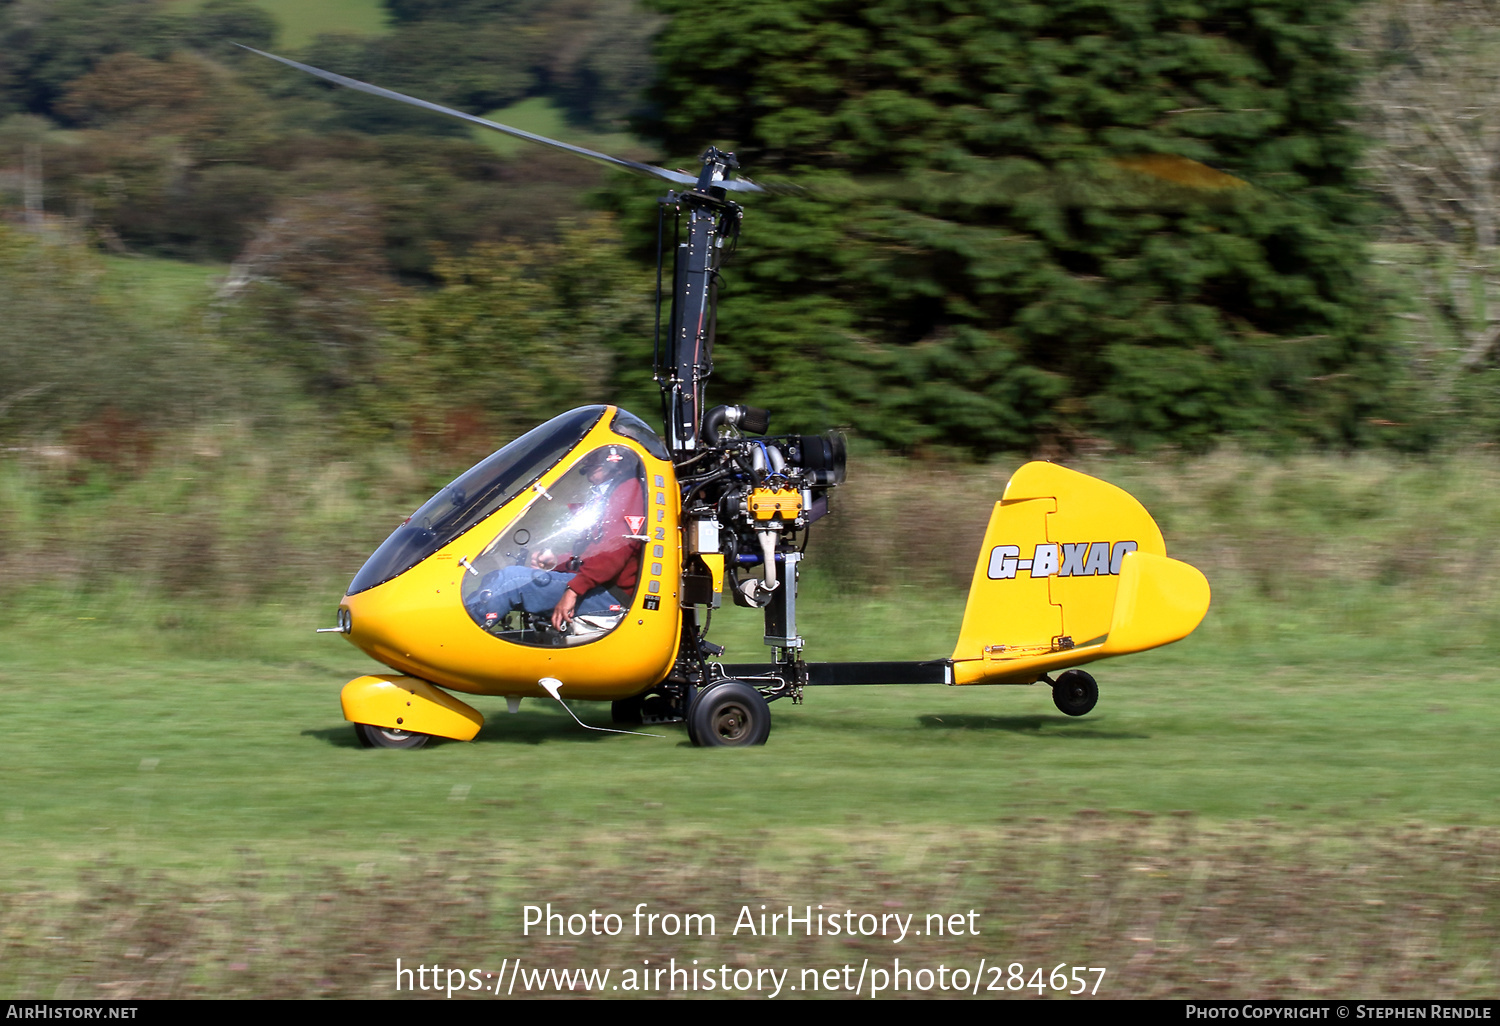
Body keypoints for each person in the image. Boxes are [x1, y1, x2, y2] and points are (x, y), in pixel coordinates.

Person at [467, 446, 644, 633]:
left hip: (610, 595)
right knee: (495, 578)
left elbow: (615, 551)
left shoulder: (629, 490)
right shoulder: (610, 493)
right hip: (597, 585)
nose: (587, 464)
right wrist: (556, 562)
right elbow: (594, 553)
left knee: (510, 581)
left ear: (614, 462)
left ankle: (456, 635)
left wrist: (573, 590)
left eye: (594, 459)